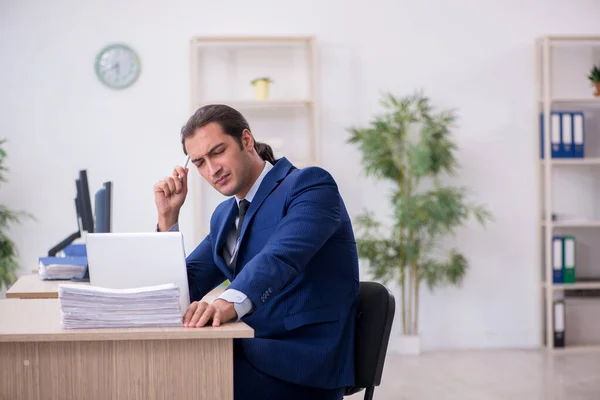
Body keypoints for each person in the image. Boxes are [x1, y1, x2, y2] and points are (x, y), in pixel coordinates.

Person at [153, 104, 359, 400]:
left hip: (300, 365)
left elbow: (280, 257)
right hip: (247, 351)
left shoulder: (309, 185)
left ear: (246, 140)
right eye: (199, 163)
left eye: (218, 152)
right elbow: (183, 285)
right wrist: (168, 219)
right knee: (154, 369)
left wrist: (225, 303)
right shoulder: (225, 215)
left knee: (175, 380)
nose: (212, 170)